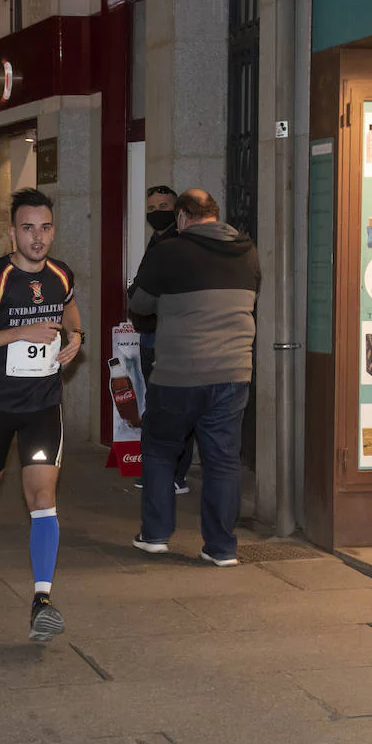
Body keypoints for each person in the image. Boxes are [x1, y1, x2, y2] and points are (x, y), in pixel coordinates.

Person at [0, 188, 83, 642]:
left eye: (45, 227)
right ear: (13, 232)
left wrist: (76, 335)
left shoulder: (61, 274)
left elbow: (69, 308)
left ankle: (42, 600)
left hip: (43, 406)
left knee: (42, 497)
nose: (38, 237)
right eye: (28, 228)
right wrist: (18, 332)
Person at [128, 189, 259, 566]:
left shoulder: (170, 250)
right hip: (233, 372)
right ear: (214, 215)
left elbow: (140, 303)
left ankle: (154, 535)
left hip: (178, 374)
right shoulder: (247, 251)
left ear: (183, 216)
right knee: (223, 460)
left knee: (160, 450)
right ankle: (221, 549)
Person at [129, 185, 194, 496]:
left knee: (174, 408)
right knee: (155, 407)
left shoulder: (178, 245)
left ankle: (175, 475)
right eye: (151, 208)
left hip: (169, 340)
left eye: (163, 206)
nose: (157, 213)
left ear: (178, 210)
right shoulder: (156, 242)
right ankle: (158, 472)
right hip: (149, 337)